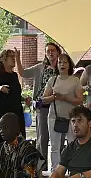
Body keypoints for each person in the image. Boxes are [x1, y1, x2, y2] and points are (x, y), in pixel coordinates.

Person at [16, 42, 61, 171]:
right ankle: (42, 165)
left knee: (57, 137)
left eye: (53, 50)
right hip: (42, 105)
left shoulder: (62, 66)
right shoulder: (40, 67)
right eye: (48, 51)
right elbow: (23, 73)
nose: (50, 53)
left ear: (58, 52)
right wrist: (18, 58)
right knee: (42, 136)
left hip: (58, 105)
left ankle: (58, 167)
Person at [42, 53, 83, 169]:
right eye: (60, 62)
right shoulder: (52, 80)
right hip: (54, 117)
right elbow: (44, 99)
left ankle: (73, 169)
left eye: (65, 62)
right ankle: (55, 170)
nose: (62, 65)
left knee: (72, 144)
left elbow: (80, 100)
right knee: (54, 146)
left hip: (72, 118)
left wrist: (65, 98)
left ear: (69, 65)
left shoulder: (75, 80)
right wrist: (54, 97)